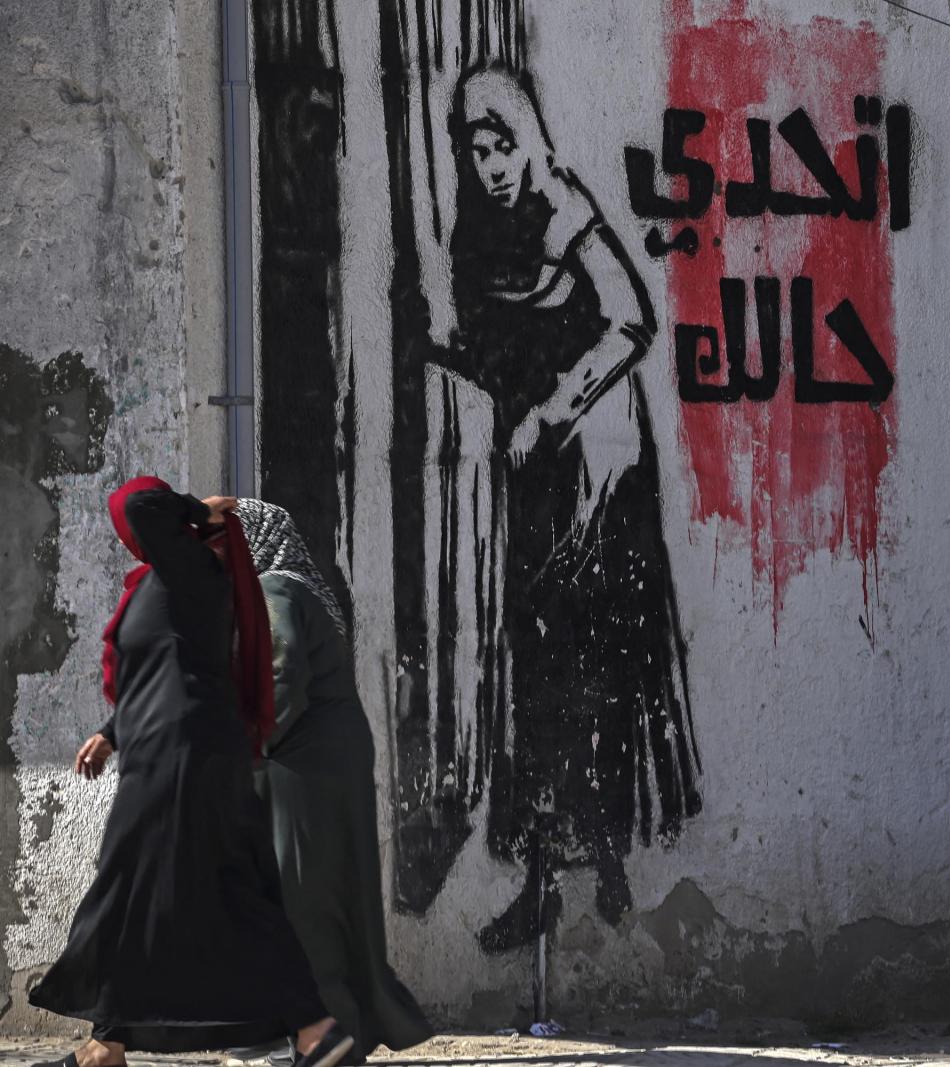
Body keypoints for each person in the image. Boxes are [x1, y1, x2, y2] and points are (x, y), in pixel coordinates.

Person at [395, 59, 701, 942]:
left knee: (594, 657)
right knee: (542, 663)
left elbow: (632, 318)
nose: (491, 163)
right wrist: (437, 354)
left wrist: (556, 410)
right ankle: (554, 873)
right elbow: (504, 359)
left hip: (600, 467)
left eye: (502, 142)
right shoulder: (474, 235)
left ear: (527, 136)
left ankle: (592, 863)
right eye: (475, 148)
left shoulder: (561, 205)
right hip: (535, 470)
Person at [30, 478, 352, 1067]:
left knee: (130, 888)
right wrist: (111, 731)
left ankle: (109, 1045)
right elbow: (161, 673)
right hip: (172, 749)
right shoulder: (162, 583)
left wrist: (190, 510)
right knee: (204, 889)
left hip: (182, 756)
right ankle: (309, 1031)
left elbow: (134, 502)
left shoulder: (189, 569)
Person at [230, 498, 433, 1062]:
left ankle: (328, 1036)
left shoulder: (276, 588)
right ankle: (313, 1030)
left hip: (304, 769)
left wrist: (246, 749)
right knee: (322, 896)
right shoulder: (298, 585)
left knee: (303, 901)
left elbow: (281, 674)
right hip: (324, 762)